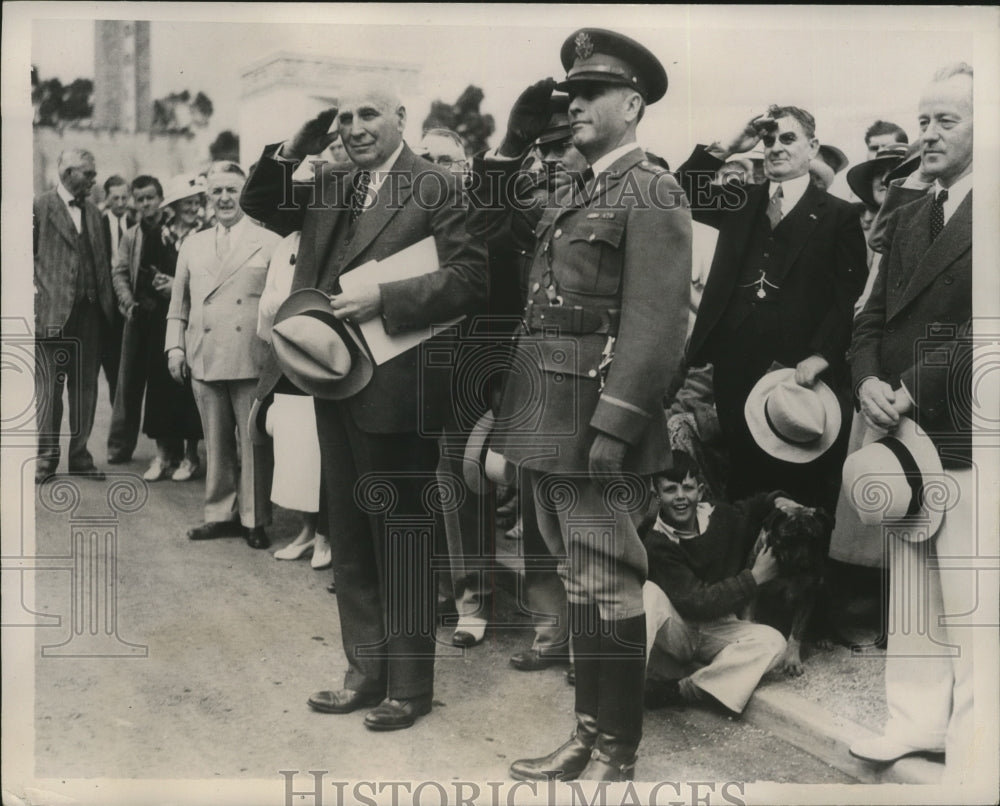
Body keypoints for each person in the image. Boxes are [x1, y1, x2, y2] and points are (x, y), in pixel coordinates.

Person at [241, 78, 488, 730]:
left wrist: (388, 298)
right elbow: (261, 201)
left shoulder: (437, 184)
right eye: (344, 117)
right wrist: (299, 140)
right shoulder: (330, 183)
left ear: (402, 118)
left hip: (399, 391)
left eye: (368, 114)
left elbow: (470, 278)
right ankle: (364, 672)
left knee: (402, 539)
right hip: (332, 385)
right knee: (350, 536)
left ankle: (409, 688)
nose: (354, 126)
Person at [490, 29, 692, 782]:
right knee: (578, 581)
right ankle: (586, 733)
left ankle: (617, 750)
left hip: (596, 424)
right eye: (570, 94)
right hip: (547, 418)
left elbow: (657, 323)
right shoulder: (579, 188)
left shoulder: (654, 190)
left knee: (607, 577)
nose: (573, 104)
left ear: (632, 104)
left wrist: (617, 424)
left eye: (591, 94)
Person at [847, 63, 976, 783]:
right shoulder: (911, 204)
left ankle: (977, 745)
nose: (926, 134)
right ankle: (913, 725)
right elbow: (871, 312)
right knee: (914, 585)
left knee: (970, 594)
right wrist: (865, 379)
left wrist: (905, 388)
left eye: (945, 121)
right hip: (901, 430)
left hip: (964, 427)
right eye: (922, 120)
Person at [676, 104, 868, 511]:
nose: (776, 148)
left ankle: (794, 570)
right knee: (741, 483)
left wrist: (822, 354)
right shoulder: (739, 201)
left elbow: (848, 295)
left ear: (812, 146)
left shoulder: (839, 215)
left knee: (795, 485)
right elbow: (677, 193)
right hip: (733, 367)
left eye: (788, 138)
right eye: (769, 140)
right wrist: (728, 147)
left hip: (796, 375)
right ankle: (746, 566)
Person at [467, 95, 585, 672]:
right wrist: (511, 151)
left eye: (566, 143)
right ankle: (549, 630)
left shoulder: (629, 191)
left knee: (591, 518)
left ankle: (595, 640)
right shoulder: (533, 202)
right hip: (535, 374)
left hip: (593, 379)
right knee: (540, 515)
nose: (557, 156)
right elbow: (485, 221)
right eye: (547, 148)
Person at [166, 161, 281, 550]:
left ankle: (254, 519)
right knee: (215, 443)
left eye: (232, 190)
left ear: (244, 193)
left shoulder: (270, 243)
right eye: (216, 191)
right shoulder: (193, 244)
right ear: (207, 197)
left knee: (252, 443)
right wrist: (175, 347)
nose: (224, 198)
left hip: (251, 356)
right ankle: (218, 514)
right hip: (204, 354)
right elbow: (178, 304)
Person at [641, 451, 786, 714]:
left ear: (701, 489)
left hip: (720, 627)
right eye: (670, 490)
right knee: (647, 593)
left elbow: (752, 507)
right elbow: (696, 602)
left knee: (774, 642)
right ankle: (624, 689)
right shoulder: (657, 541)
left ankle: (683, 690)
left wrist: (779, 500)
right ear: (657, 496)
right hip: (678, 628)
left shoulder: (721, 516)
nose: (681, 497)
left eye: (688, 487)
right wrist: (754, 578)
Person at [109, 175, 205, 480]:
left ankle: (190, 457)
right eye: (186, 203)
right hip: (159, 320)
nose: (192, 208)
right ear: (174, 207)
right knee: (160, 387)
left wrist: (178, 287)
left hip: (194, 319)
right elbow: (140, 274)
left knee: (189, 387)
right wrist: (154, 292)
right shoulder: (156, 235)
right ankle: (163, 456)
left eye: (195, 203)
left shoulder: (205, 234)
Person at [34, 149, 116, 483]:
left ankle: (80, 457)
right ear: (68, 173)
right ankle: (45, 460)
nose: (94, 180)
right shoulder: (39, 207)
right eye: (88, 173)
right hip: (53, 316)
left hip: (91, 316)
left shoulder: (96, 213)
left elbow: (103, 263)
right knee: (49, 392)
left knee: (85, 391)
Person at [99, 174, 132, 406]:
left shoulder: (136, 224)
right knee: (111, 361)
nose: (121, 203)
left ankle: (128, 408)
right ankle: (116, 409)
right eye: (115, 198)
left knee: (129, 361)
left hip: (129, 297)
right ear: (107, 198)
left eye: (124, 197)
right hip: (105, 301)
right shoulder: (98, 224)